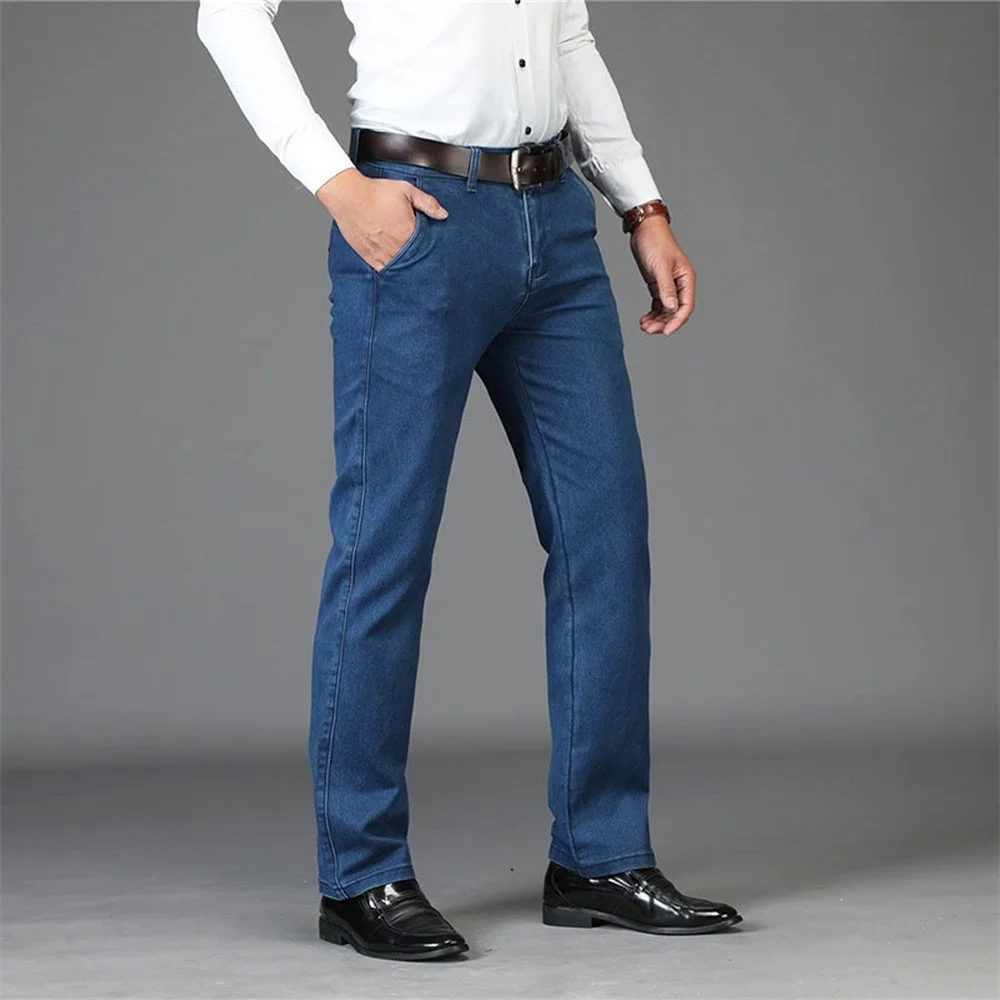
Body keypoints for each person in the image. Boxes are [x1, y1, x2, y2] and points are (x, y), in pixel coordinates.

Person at [196, 0, 743, 962]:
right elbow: (227, 16)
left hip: (557, 222)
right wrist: (337, 184)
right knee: (384, 548)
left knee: (606, 536)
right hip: (419, 216)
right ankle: (361, 875)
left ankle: (601, 856)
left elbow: (568, 38)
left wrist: (642, 206)